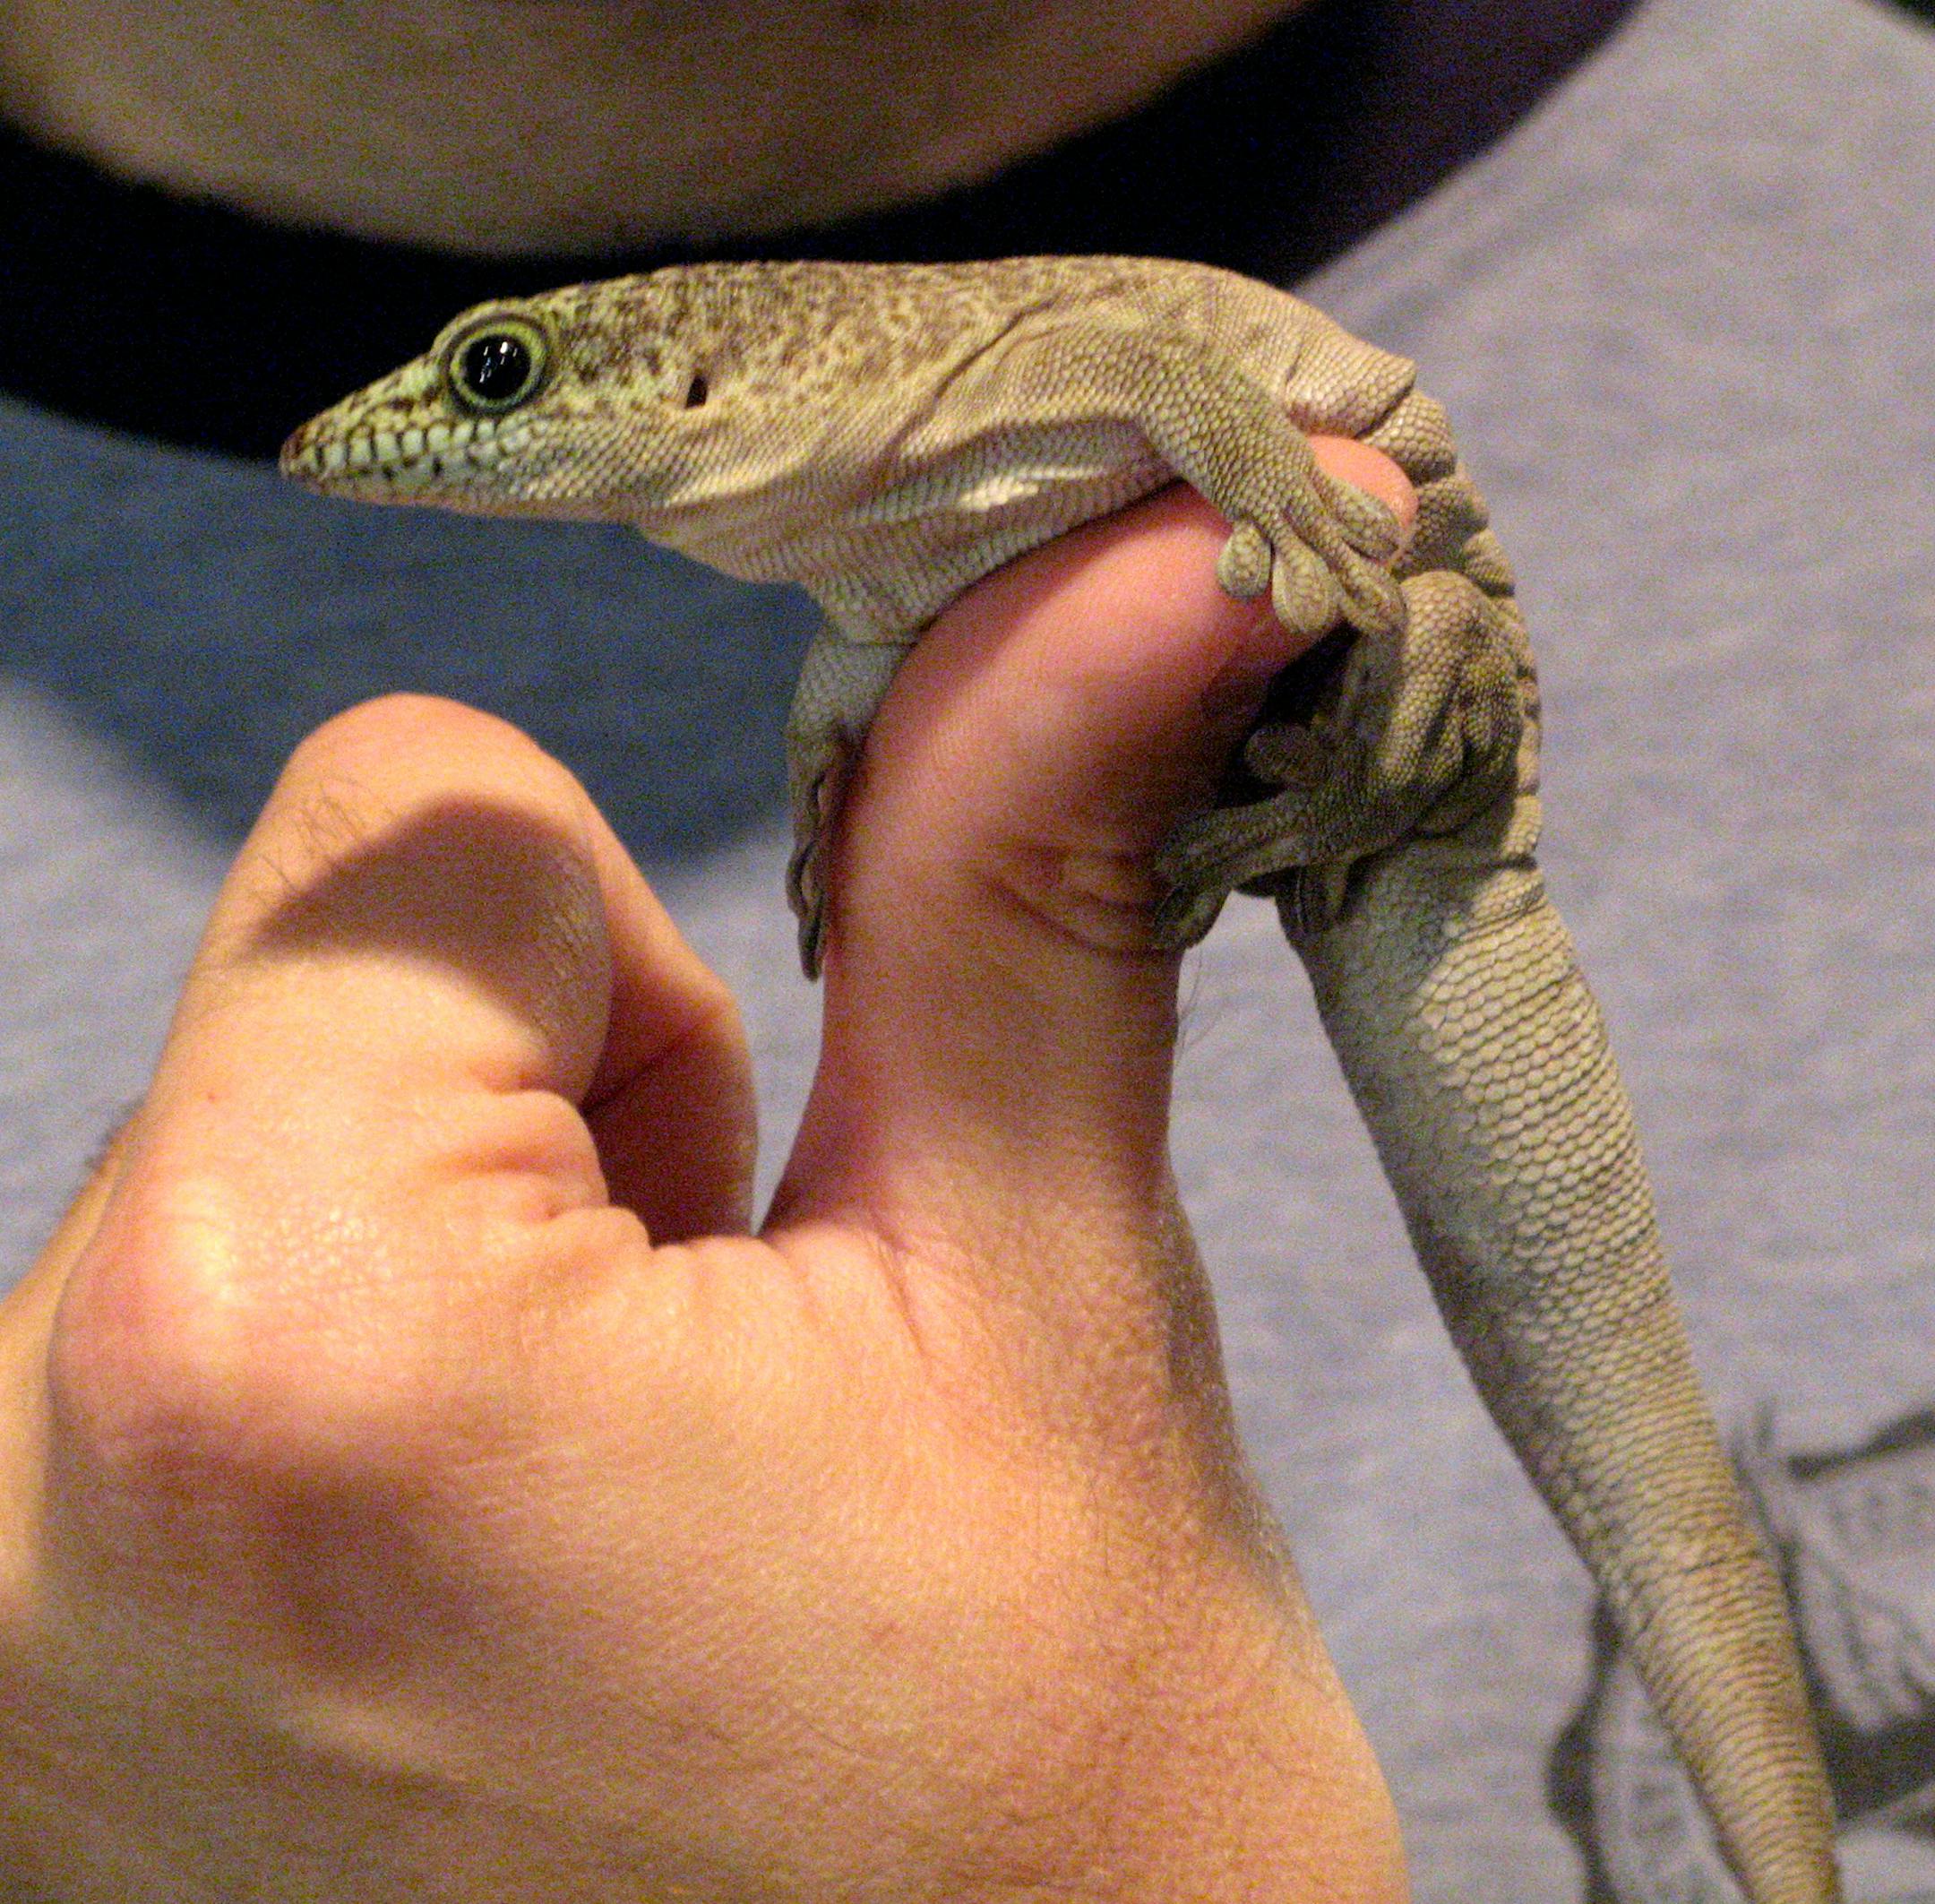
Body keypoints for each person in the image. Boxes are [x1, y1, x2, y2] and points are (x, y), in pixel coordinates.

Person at [0, 1, 1930, 1898]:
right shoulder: (860, 477)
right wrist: (840, 731)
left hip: (1412, 751)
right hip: (1337, 783)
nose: (412, 432)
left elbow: (1152, 368)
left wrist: (1263, 493)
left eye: (494, 381)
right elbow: (879, 608)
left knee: (1641, 1461)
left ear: (681, 376)